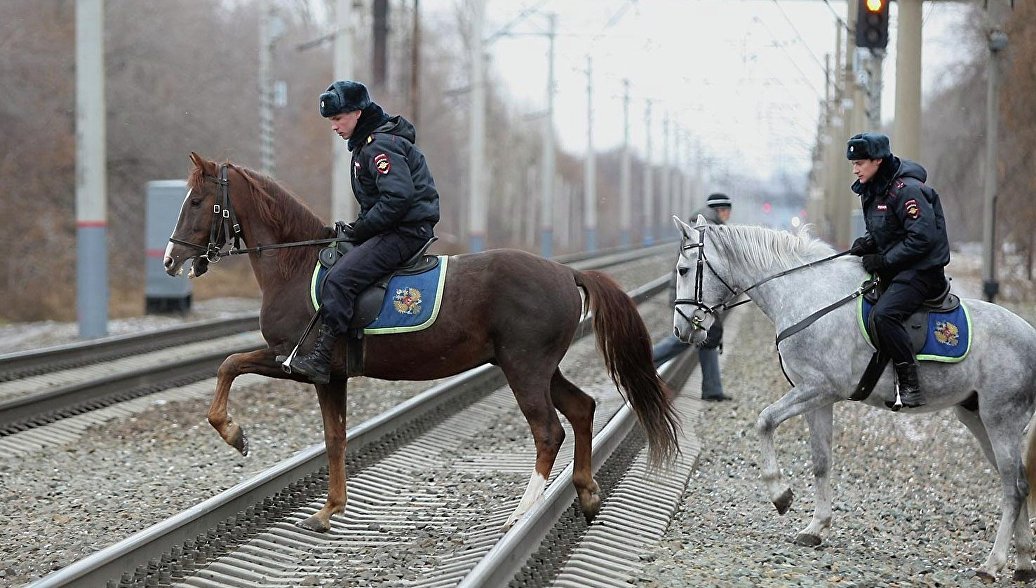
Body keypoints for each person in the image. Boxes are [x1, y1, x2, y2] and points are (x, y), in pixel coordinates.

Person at [289, 80, 440, 384]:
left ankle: (323, 358)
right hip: (398, 226)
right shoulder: (366, 145)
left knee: (340, 280)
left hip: (407, 230)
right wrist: (357, 228)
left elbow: (397, 199)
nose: (333, 126)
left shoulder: (379, 146)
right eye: (331, 120)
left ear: (357, 113)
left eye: (337, 118)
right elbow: (378, 202)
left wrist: (360, 229)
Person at [846, 132, 950, 408]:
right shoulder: (873, 188)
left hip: (923, 272)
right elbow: (889, 230)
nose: (855, 169)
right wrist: (866, 243)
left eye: (860, 162)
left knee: (884, 315)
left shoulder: (907, 190)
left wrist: (883, 261)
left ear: (878, 160)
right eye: (852, 163)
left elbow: (922, 238)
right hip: (900, 269)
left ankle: (909, 380)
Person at [653, 192, 733, 402]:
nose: (729, 215)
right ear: (720, 210)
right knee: (685, 339)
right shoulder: (705, 231)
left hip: (693, 296)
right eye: (727, 210)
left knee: (707, 340)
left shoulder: (705, 228)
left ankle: (712, 389)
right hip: (691, 298)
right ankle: (640, 363)